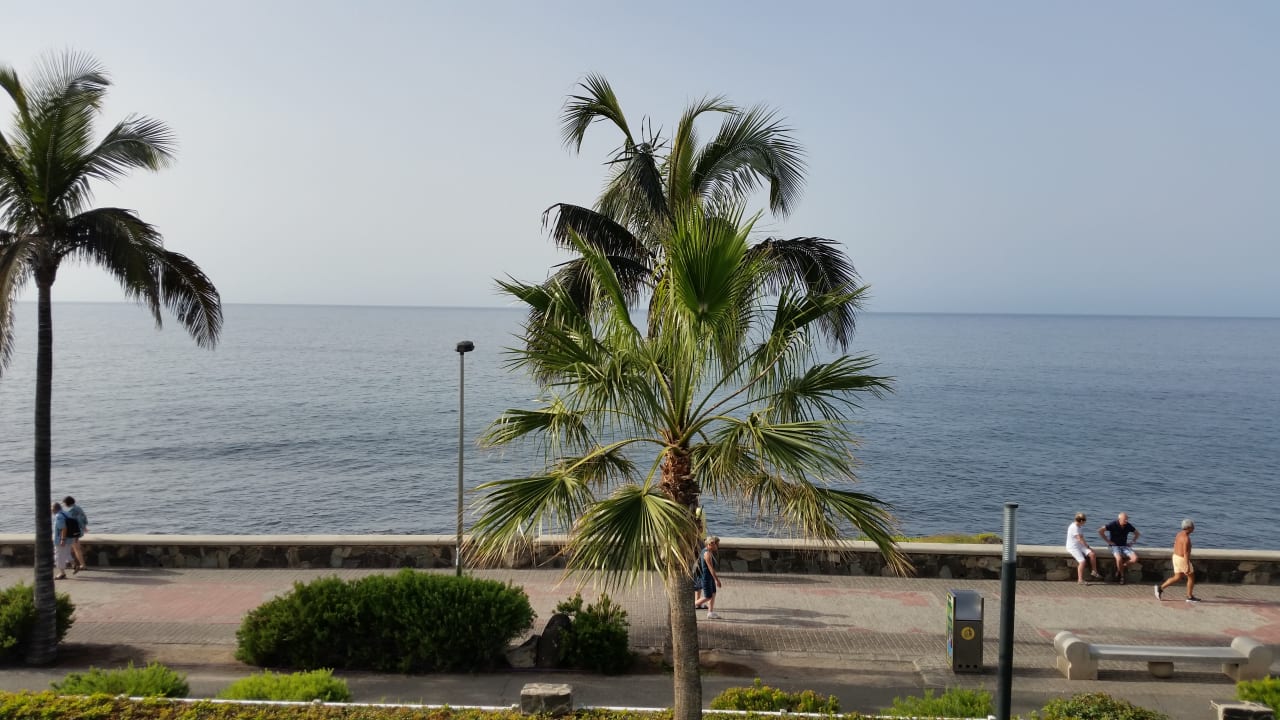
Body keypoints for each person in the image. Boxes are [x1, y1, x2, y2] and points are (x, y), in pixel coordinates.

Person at [1156, 518, 1200, 603]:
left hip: (1175, 557)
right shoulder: (1186, 539)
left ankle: (1160, 588)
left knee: (1177, 577)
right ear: (1188, 528)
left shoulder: (1179, 534)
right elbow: (1186, 553)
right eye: (1192, 526)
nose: (1194, 528)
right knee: (1191, 577)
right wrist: (1187, 565)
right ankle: (1189, 596)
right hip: (1182, 559)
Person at [1098, 512, 1141, 583]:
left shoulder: (1128, 525)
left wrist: (1132, 542)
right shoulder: (1113, 524)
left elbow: (1137, 533)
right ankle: (1122, 576)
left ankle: (1120, 568)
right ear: (1119, 519)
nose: (1126, 521)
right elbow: (1100, 531)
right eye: (1125, 519)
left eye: (1127, 519)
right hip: (1115, 546)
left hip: (1124, 546)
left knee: (1135, 558)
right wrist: (1108, 541)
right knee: (1119, 558)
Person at [1066, 512, 1102, 584]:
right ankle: (1080, 580)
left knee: (1092, 554)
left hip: (1080, 545)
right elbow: (1080, 539)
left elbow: (1082, 538)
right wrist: (1088, 547)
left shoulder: (1079, 526)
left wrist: (1088, 548)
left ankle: (1094, 571)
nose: (1085, 522)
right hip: (1073, 547)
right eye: (1085, 521)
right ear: (1081, 521)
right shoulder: (1074, 527)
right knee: (1082, 561)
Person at [693, 536, 722, 618]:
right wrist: (717, 580)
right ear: (711, 544)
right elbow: (711, 569)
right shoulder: (707, 554)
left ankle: (710, 612)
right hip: (706, 578)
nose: (718, 546)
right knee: (708, 596)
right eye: (717, 544)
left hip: (709, 578)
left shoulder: (707, 551)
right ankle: (690, 606)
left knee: (713, 593)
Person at [62, 495, 89, 573]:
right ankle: (70, 563)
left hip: (73, 532)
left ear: (67, 503)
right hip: (78, 530)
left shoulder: (71, 511)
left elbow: (71, 522)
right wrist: (84, 527)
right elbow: (84, 518)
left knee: (76, 549)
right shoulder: (78, 508)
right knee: (72, 548)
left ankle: (83, 565)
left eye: (64, 503)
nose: (63, 505)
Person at [50, 503, 71, 580]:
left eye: (51, 508)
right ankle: (74, 565)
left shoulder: (59, 516)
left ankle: (62, 573)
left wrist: (62, 539)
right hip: (69, 538)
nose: (51, 510)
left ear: (55, 509)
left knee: (58, 556)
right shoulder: (66, 513)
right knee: (66, 554)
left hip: (61, 540)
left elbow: (63, 528)